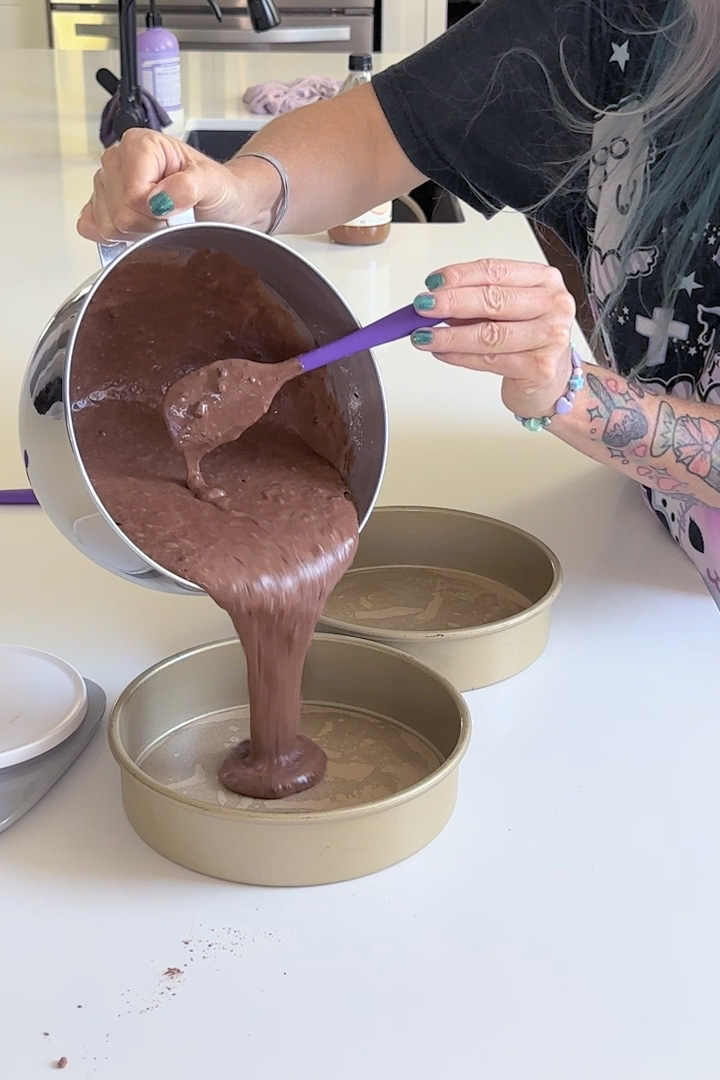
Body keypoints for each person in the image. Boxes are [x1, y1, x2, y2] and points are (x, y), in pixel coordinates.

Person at [78, 0, 720, 603]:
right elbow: (385, 131)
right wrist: (235, 187)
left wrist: (579, 395)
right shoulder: (625, 17)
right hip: (636, 527)